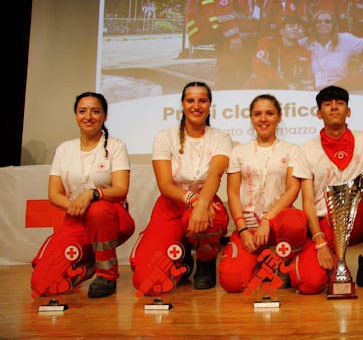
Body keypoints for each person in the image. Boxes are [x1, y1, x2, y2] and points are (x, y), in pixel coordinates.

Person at [290, 86, 363, 294]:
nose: (334, 107)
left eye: (339, 103)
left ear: (348, 111)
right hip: (327, 223)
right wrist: (319, 242)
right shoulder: (306, 149)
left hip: (357, 218)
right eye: (327, 104)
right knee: (309, 283)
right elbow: (308, 203)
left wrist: (347, 193)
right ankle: (332, 265)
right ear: (319, 113)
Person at [130, 82, 231, 295]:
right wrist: (193, 199)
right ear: (182, 104)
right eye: (190, 100)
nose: (196, 106)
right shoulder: (165, 136)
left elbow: (214, 174)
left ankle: (205, 260)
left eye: (202, 100)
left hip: (206, 201)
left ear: (210, 104)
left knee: (207, 217)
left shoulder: (220, 137)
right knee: (146, 281)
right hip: (171, 205)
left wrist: (201, 203)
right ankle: (181, 256)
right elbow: (165, 185)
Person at [31, 92, 135, 299]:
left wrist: (92, 194)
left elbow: (121, 189)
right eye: (82, 111)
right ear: (76, 116)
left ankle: (107, 274)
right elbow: (54, 194)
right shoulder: (64, 149)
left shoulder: (115, 146)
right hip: (76, 220)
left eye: (95, 111)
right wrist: (76, 207)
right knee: (41, 283)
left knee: (97, 209)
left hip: (112, 217)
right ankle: (88, 266)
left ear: (105, 116)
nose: (88, 116)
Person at [218, 95, 307, 292]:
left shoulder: (291, 150)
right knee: (232, 283)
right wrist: (241, 230)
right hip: (249, 226)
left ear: (279, 117)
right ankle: (260, 260)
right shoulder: (239, 151)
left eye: (269, 113)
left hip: (277, 222)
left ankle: (281, 262)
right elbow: (232, 192)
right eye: (257, 114)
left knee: (295, 221)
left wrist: (267, 219)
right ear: (251, 118)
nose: (263, 119)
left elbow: (293, 189)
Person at [214, 0, 258, 90]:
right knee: (228, 73)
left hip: (248, 39)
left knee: (245, 73)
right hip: (232, 40)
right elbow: (224, 13)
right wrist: (234, 36)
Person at [299, 10, 363, 92]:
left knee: (358, 77)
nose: (323, 23)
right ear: (314, 25)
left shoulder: (345, 39)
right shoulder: (306, 42)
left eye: (327, 21)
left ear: (333, 25)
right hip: (315, 89)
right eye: (318, 21)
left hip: (340, 88)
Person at [246, 15, 313, 90]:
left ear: (303, 34)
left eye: (299, 27)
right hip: (265, 89)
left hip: (289, 90)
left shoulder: (305, 53)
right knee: (261, 81)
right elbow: (260, 67)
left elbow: (306, 78)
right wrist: (285, 84)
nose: (295, 28)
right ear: (282, 31)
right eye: (291, 26)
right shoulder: (267, 42)